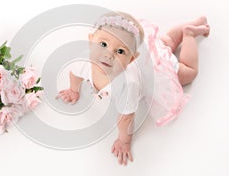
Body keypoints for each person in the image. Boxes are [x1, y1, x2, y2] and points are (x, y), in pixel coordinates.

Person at [56, 11, 210, 166]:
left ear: (131, 58)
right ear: (91, 40)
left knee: (188, 71)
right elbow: (75, 74)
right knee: (165, 42)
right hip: (148, 52)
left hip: (154, 68)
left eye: (120, 51)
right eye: (103, 44)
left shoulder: (127, 84)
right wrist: (73, 90)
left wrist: (124, 142)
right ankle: (194, 24)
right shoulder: (82, 60)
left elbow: (126, 119)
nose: (108, 55)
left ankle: (189, 34)